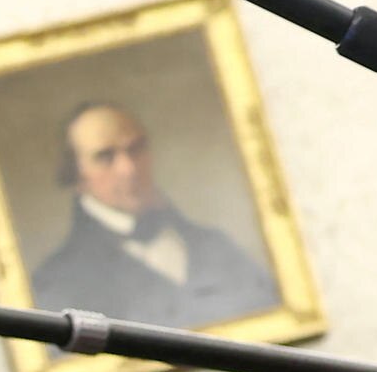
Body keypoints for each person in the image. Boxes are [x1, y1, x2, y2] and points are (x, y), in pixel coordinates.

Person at [19, 100, 280, 327]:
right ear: (76, 177)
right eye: (105, 157)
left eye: (136, 148)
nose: (128, 169)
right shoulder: (56, 284)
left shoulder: (216, 245)